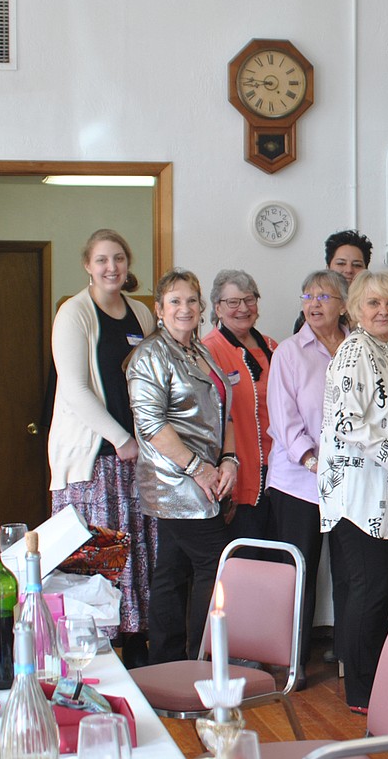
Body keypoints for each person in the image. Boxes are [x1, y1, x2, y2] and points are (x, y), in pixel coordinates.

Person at [318, 271, 388, 714]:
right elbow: (346, 424)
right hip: (356, 490)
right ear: (354, 309)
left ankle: (363, 683)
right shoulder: (354, 352)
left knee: (367, 589)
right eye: (373, 304)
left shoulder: (385, 353)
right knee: (368, 590)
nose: (383, 311)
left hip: (380, 484)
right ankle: (363, 690)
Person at [48, 229, 156, 668]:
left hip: (139, 459)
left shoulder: (143, 314)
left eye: (119, 259)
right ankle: (91, 658)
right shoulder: (74, 313)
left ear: (128, 264)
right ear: (87, 266)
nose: (111, 267)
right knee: (100, 558)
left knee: (138, 555)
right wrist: (120, 438)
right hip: (94, 460)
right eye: (101, 260)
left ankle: (135, 651)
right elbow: (73, 387)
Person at [127, 269, 236, 663]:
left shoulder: (201, 351)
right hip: (176, 482)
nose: (185, 308)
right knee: (216, 561)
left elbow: (225, 411)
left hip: (206, 477)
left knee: (171, 573)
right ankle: (201, 662)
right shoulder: (149, 356)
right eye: (175, 301)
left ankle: (168, 664)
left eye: (192, 300)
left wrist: (229, 459)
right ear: (158, 309)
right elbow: (152, 425)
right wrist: (199, 469)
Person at [267, 270, 350, 671]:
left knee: (350, 573)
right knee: (298, 573)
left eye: (325, 296)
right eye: (309, 296)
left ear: (344, 304)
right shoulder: (289, 351)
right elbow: (283, 420)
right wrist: (312, 460)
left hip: (348, 481)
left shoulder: (358, 346)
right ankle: (291, 662)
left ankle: (349, 659)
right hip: (298, 482)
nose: (315, 303)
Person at [203, 270, 278, 545]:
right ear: (218, 307)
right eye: (233, 302)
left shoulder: (272, 347)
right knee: (245, 562)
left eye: (249, 299)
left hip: (279, 474)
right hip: (237, 476)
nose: (243, 308)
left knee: (279, 561)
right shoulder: (208, 351)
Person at [294, 229, 388, 365]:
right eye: (341, 263)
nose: (348, 270)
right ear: (328, 267)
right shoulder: (311, 315)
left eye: (357, 265)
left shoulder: (387, 314)